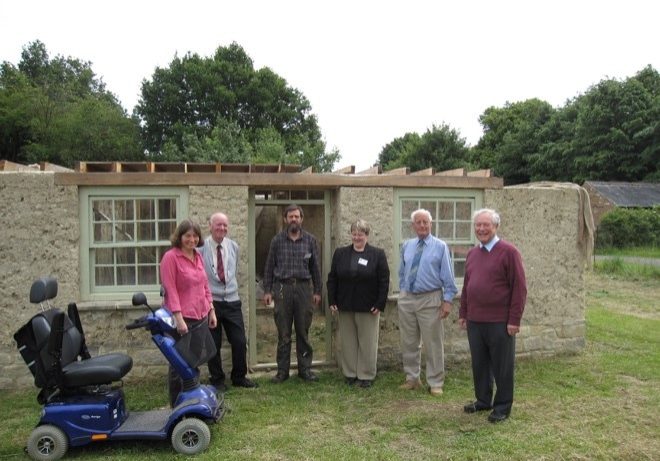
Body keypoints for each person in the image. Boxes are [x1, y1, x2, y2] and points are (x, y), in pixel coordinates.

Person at [459, 208, 527, 423]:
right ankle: (483, 400)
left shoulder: (509, 252)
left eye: (486, 225)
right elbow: (467, 286)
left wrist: (514, 320)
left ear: (496, 226)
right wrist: (464, 313)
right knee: (480, 364)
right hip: (475, 321)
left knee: (502, 366)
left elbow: (519, 288)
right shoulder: (472, 253)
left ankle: (503, 407)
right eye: (478, 225)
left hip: (500, 322)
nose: (481, 229)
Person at [397, 208, 458, 396]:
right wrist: (403, 292)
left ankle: (436, 382)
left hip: (430, 299)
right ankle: (412, 378)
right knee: (409, 342)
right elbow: (402, 272)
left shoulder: (440, 246)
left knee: (433, 343)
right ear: (413, 225)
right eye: (419, 222)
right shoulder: (407, 245)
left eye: (426, 222)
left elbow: (449, 278)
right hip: (408, 298)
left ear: (431, 224)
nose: (422, 225)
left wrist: (447, 301)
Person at [160, 219, 217, 407]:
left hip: (200, 316)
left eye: (195, 236)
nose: (192, 240)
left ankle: (191, 399)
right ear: (180, 237)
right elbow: (171, 289)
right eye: (188, 236)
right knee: (179, 365)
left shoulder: (198, 256)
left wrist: (211, 310)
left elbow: (205, 286)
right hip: (182, 319)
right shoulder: (170, 257)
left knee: (194, 361)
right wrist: (178, 318)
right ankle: (177, 404)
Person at [262, 204, 322, 383]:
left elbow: (316, 268)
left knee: (303, 331)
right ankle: (282, 372)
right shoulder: (277, 241)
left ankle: (305, 370)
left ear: (301, 219)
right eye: (291, 217)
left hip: (304, 287)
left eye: (297, 216)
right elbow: (269, 266)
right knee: (283, 331)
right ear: (285, 219)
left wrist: (318, 290)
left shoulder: (310, 240)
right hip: (282, 288)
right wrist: (267, 290)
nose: (294, 219)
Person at [327, 219, 390, 388]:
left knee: (368, 342)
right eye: (354, 234)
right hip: (345, 304)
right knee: (348, 341)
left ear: (367, 235)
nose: (356, 237)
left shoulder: (377, 254)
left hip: (369, 306)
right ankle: (350, 373)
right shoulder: (340, 253)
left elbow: (384, 281)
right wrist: (332, 299)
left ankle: (366, 375)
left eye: (360, 234)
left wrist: (379, 303)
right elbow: (332, 278)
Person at [200, 212, 258, 391]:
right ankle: (217, 379)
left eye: (225, 225)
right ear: (210, 226)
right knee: (213, 344)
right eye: (218, 225)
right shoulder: (201, 249)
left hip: (232, 301)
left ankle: (239, 376)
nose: (222, 228)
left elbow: (232, 270)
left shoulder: (233, 246)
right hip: (212, 303)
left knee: (239, 341)